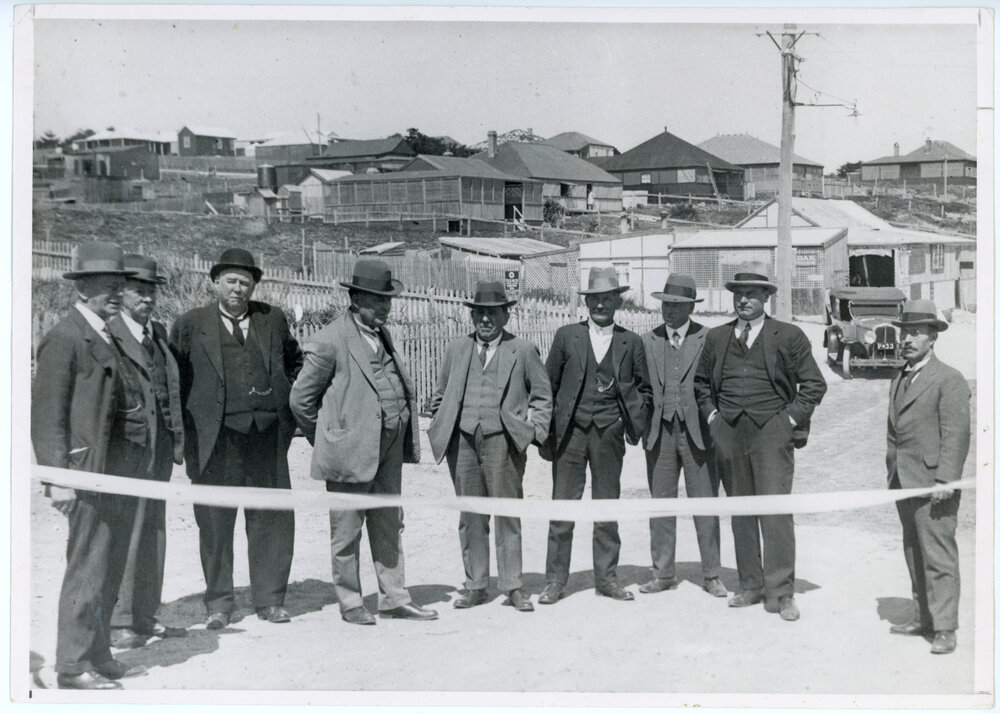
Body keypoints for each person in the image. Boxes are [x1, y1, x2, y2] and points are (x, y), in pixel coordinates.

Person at [289, 259, 438, 626]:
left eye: (388, 300)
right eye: (377, 300)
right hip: (349, 453)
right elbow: (300, 401)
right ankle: (351, 601)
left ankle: (394, 597)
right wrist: (329, 439)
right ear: (355, 299)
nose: (385, 307)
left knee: (389, 523)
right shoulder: (329, 341)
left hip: (388, 451)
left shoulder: (382, 334)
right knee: (347, 530)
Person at [31, 241, 149, 689]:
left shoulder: (108, 334)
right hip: (84, 475)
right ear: (82, 289)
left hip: (116, 473)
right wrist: (57, 481)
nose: (116, 293)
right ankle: (72, 666)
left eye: (119, 285)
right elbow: (46, 418)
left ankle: (100, 655)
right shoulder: (64, 338)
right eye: (106, 286)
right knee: (86, 568)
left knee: (110, 567)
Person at [170, 248, 302, 629]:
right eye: (231, 280)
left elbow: (296, 363)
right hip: (216, 442)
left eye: (246, 282)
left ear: (254, 286)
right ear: (214, 282)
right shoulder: (191, 324)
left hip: (266, 439)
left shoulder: (271, 319)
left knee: (271, 519)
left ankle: (270, 600)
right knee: (215, 521)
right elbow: (174, 381)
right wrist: (184, 437)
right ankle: (219, 605)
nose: (238, 288)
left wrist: (288, 409)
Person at [694, 261, 826, 621]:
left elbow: (814, 384)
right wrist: (713, 419)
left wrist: (788, 420)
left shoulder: (788, 336)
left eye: (752, 294)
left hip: (772, 433)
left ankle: (782, 593)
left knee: (775, 512)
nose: (744, 300)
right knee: (741, 510)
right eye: (739, 294)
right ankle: (750, 585)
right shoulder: (717, 337)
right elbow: (702, 385)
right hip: (730, 433)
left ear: (766, 298)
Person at [427, 281, 552, 613]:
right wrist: (440, 420)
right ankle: (476, 584)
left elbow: (542, 396)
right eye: (479, 313)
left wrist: (532, 432)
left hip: (504, 441)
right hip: (463, 441)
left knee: (507, 514)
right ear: (473, 315)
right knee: (471, 516)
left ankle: (512, 586)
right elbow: (440, 393)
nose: (485, 320)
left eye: (492, 313)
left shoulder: (523, 350)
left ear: (505, 315)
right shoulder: (457, 349)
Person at [538, 267, 652, 605]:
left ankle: (607, 579)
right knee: (563, 510)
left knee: (606, 509)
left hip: (608, 436)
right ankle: (555, 582)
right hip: (570, 436)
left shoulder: (631, 342)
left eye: (607, 298)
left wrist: (623, 420)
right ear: (586, 302)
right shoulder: (566, 336)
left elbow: (644, 390)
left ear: (618, 301)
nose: (600, 304)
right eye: (594, 299)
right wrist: (549, 431)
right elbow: (549, 386)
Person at [107, 255, 187, 649]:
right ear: (121, 292)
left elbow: (167, 389)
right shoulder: (110, 333)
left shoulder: (156, 332)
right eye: (140, 290)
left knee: (154, 532)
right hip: (127, 453)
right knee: (127, 532)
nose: (147, 298)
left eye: (152, 291)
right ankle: (119, 620)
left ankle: (145, 615)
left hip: (158, 453)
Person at [885, 299, 970, 655]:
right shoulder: (900, 376)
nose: (908, 339)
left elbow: (957, 435)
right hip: (903, 480)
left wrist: (944, 482)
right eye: (905, 332)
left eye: (917, 333)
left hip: (934, 484)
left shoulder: (948, 379)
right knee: (914, 552)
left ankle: (946, 628)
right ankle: (924, 617)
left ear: (933, 338)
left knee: (938, 555)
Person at [640, 274, 726, 598]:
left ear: (690, 307)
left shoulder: (708, 339)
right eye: (665, 304)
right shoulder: (648, 340)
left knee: (704, 503)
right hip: (659, 435)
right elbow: (642, 389)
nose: (669, 311)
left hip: (698, 435)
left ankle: (712, 574)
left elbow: (717, 386)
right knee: (660, 504)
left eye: (676, 305)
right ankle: (663, 573)